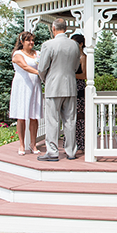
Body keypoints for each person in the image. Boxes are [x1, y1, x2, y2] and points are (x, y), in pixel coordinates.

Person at [37, 18, 79, 161]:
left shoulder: (48, 44)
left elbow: (42, 68)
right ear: (65, 29)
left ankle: (53, 152)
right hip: (70, 86)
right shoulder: (74, 45)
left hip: (53, 86)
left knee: (52, 120)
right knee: (70, 120)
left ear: (53, 29)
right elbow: (75, 66)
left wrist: (45, 79)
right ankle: (71, 152)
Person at [9, 31, 42, 155]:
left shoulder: (37, 54)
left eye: (32, 40)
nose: (31, 42)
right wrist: (41, 73)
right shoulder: (17, 54)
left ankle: (33, 144)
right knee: (22, 116)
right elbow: (25, 67)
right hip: (22, 85)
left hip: (34, 85)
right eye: (28, 40)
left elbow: (42, 64)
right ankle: (22, 144)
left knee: (34, 116)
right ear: (22, 42)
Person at [70, 33, 87, 153]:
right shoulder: (71, 56)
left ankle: (81, 144)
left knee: (80, 117)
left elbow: (84, 75)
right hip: (70, 88)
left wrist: (70, 74)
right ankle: (71, 143)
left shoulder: (83, 57)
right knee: (70, 116)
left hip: (79, 89)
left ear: (81, 44)